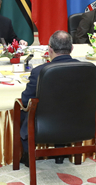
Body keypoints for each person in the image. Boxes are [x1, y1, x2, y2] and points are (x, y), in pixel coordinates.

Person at [18, 30, 91, 166]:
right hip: (80, 124)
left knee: (22, 109)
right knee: (64, 107)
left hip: (44, 127)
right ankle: (60, 153)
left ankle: (27, 154)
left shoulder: (39, 71)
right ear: (72, 48)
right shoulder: (87, 69)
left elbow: (26, 101)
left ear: (50, 49)